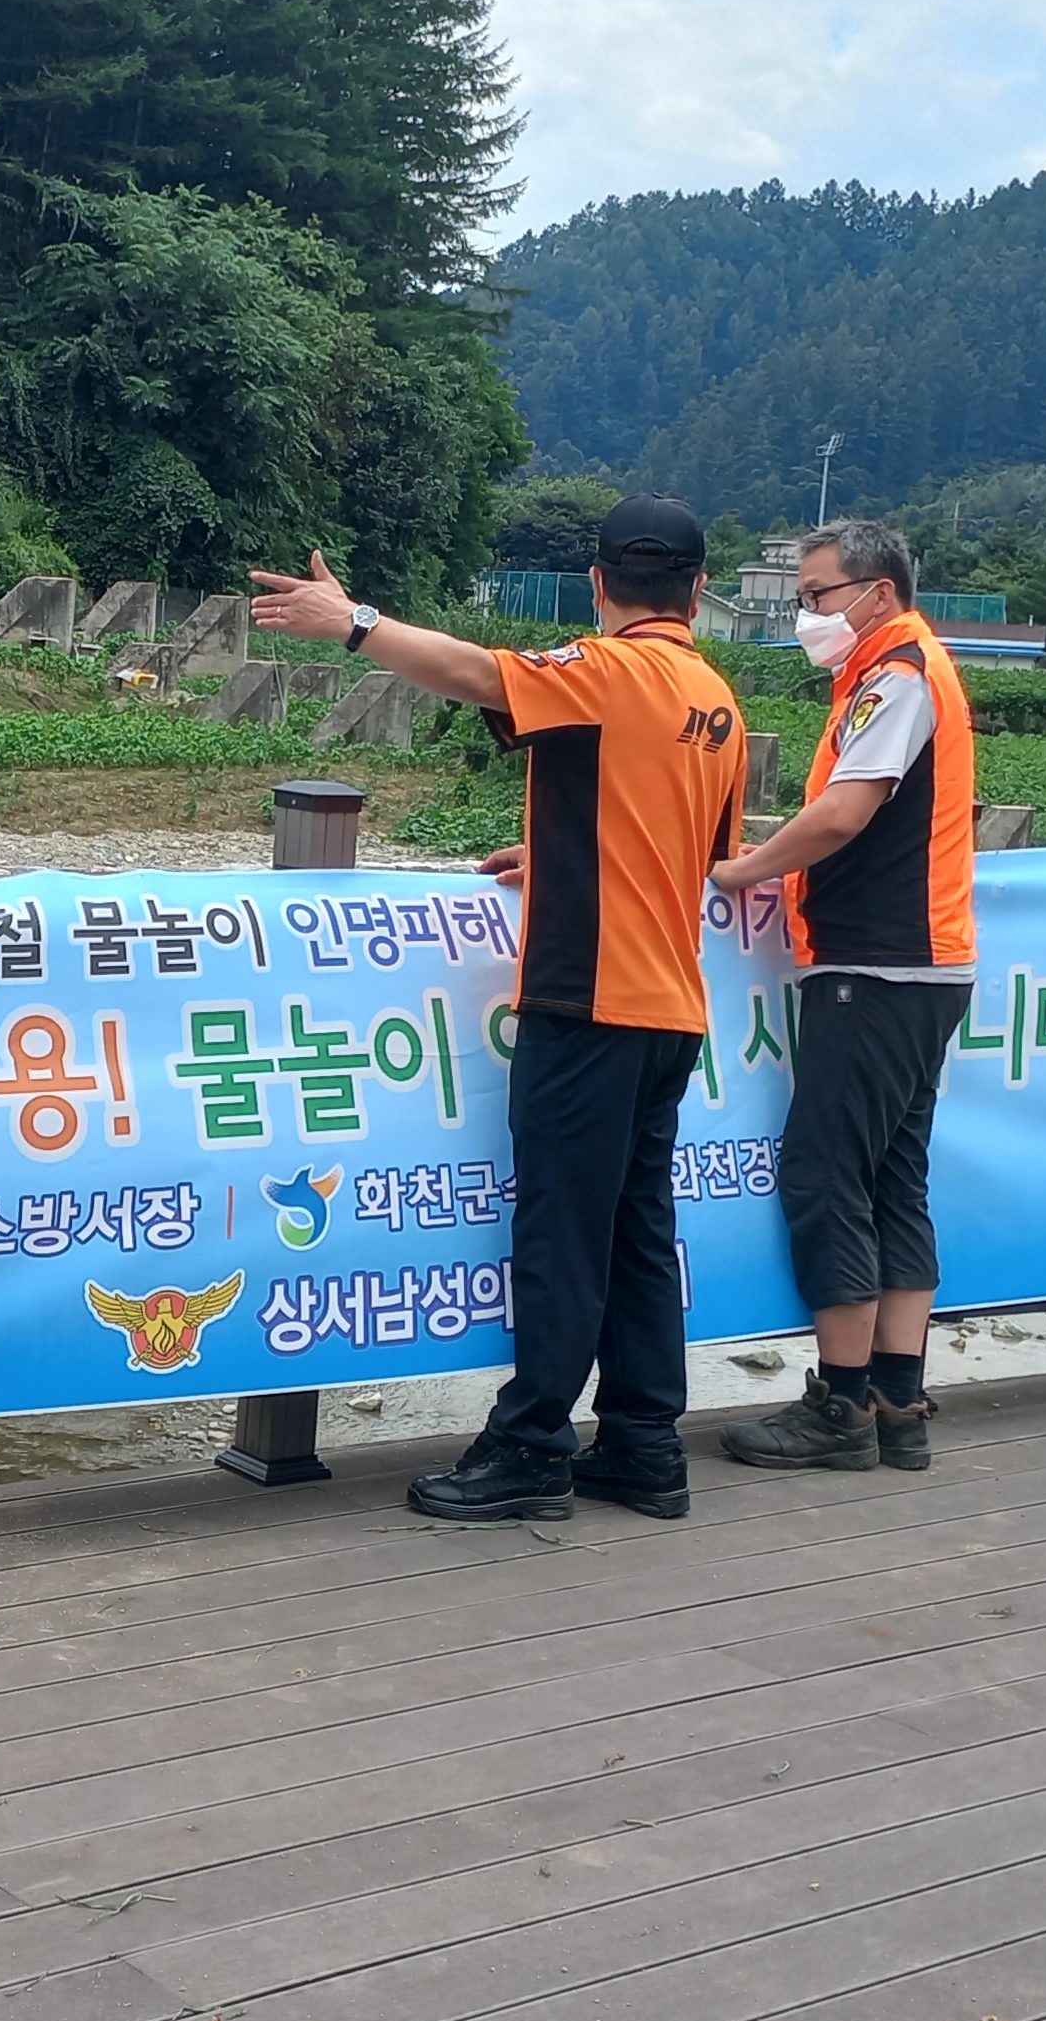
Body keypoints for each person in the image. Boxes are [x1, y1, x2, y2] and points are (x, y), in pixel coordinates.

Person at [250, 497, 749, 1522]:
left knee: (561, 1233)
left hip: (590, 996)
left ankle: (530, 1446)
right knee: (638, 1230)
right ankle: (645, 1445)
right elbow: (698, 852)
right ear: (700, 589)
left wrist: (354, 622)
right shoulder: (717, 703)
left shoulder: (606, 669)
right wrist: (566, 852)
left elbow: (481, 674)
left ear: (597, 585)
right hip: (671, 1008)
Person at [711, 515, 973, 1472]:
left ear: (878, 592)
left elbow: (842, 813)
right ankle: (898, 1402)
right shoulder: (900, 670)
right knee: (895, 1180)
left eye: (817, 595)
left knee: (827, 1176)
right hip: (923, 966)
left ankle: (840, 1405)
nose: (806, 614)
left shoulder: (897, 674)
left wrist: (741, 870)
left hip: (875, 964)